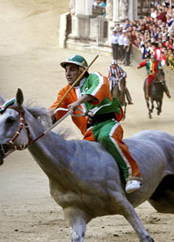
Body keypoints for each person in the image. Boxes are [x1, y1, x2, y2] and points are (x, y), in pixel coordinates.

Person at [49, 55, 142, 193]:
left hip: (107, 123)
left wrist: (79, 101)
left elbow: (102, 86)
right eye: (66, 70)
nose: (67, 74)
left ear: (82, 70)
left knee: (107, 137)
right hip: (89, 132)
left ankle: (132, 175)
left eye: (72, 69)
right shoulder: (65, 92)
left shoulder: (94, 77)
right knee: (81, 155)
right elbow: (55, 110)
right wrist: (47, 115)